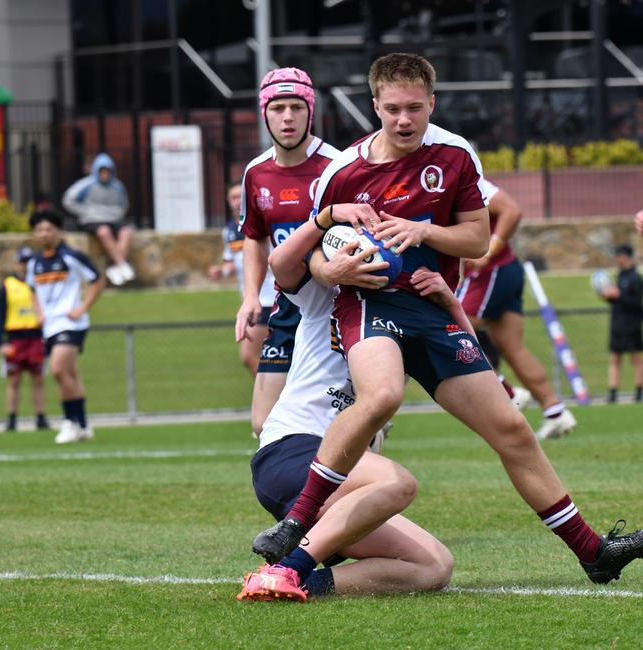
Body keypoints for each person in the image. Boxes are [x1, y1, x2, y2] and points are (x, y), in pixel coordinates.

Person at [251, 52, 643, 586]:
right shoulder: (343, 172)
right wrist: (334, 266)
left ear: (432, 103)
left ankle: (592, 551)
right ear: (375, 107)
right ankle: (295, 529)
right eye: (392, 109)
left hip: (429, 307)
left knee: (512, 428)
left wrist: (423, 233)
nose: (404, 120)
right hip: (370, 302)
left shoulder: (456, 155)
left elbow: (478, 239)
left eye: (415, 108)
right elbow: (306, 260)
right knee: (383, 396)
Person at [237, 215, 458, 602]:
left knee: (435, 566)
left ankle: (294, 582)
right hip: (291, 450)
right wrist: (325, 218)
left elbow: (469, 361)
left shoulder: (412, 320)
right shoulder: (328, 291)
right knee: (396, 483)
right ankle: (293, 563)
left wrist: (449, 302)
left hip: (342, 484)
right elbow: (280, 262)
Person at [235, 67, 340, 435]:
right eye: (277, 108)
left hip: (336, 310)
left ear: (311, 111)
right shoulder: (256, 172)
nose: (288, 117)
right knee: (263, 423)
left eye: (296, 106)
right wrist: (250, 296)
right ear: (264, 114)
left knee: (338, 426)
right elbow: (254, 236)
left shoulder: (336, 167)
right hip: (287, 307)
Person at [456, 180, 577, 439]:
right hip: (505, 269)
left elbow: (511, 210)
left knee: (454, 330)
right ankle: (556, 412)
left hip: (491, 270)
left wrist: (488, 253)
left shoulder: (459, 172)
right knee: (511, 346)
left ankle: (509, 393)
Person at [26, 209, 105, 444]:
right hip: (50, 325)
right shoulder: (34, 262)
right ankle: (82, 424)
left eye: (48, 228)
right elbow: (32, 290)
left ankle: (69, 422)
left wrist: (82, 308)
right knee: (71, 374)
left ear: (58, 231)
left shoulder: (71, 256)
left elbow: (97, 279)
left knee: (58, 369)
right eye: (39, 229)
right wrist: (39, 313)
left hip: (71, 324)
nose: (43, 233)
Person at [208, 182, 276, 376]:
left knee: (249, 356)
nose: (237, 201)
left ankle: (278, 399)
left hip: (269, 300)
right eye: (233, 197)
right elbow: (233, 261)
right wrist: (222, 271)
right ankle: (278, 398)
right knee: (271, 357)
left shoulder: (264, 222)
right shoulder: (229, 230)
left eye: (241, 196)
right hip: (252, 302)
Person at [0, 246, 50, 432]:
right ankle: (11, 419)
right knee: (14, 380)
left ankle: (41, 418)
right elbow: (0, 316)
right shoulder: (8, 285)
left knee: (38, 379)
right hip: (15, 338)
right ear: (17, 263)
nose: (25, 266)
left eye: (28, 262)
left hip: (35, 336)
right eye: (22, 262)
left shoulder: (40, 283)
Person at [62, 153, 134, 287]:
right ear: (96, 171)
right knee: (104, 232)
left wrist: (117, 213)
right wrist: (84, 212)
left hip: (113, 218)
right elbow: (68, 200)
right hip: (92, 220)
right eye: (102, 171)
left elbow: (124, 204)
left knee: (126, 232)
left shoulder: (117, 186)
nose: (105, 175)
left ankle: (116, 267)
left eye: (108, 172)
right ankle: (122, 265)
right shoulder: (86, 184)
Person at [595, 244, 643, 403]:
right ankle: (613, 392)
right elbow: (617, 302)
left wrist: (619, 295)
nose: (617, 259)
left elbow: (636, 303)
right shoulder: (620, 276)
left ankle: (639, 391)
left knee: (636, 358)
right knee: (615, 358)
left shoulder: (635, 278)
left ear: (626, 257)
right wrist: (608, 297)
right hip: (617, 324)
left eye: (619, 256)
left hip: (632, 325)